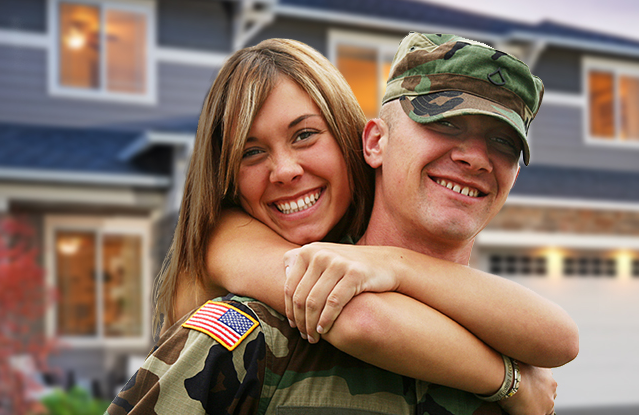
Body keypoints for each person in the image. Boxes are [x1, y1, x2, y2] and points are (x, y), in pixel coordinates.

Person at [108, 35, 577, 414]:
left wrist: (510, 381)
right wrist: (509, 383)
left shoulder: (513, 357)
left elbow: (563, 340)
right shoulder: (252, 333)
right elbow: (361, 319)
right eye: (446, 124)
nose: (474, 157)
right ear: (374, 141)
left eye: (502, 141)